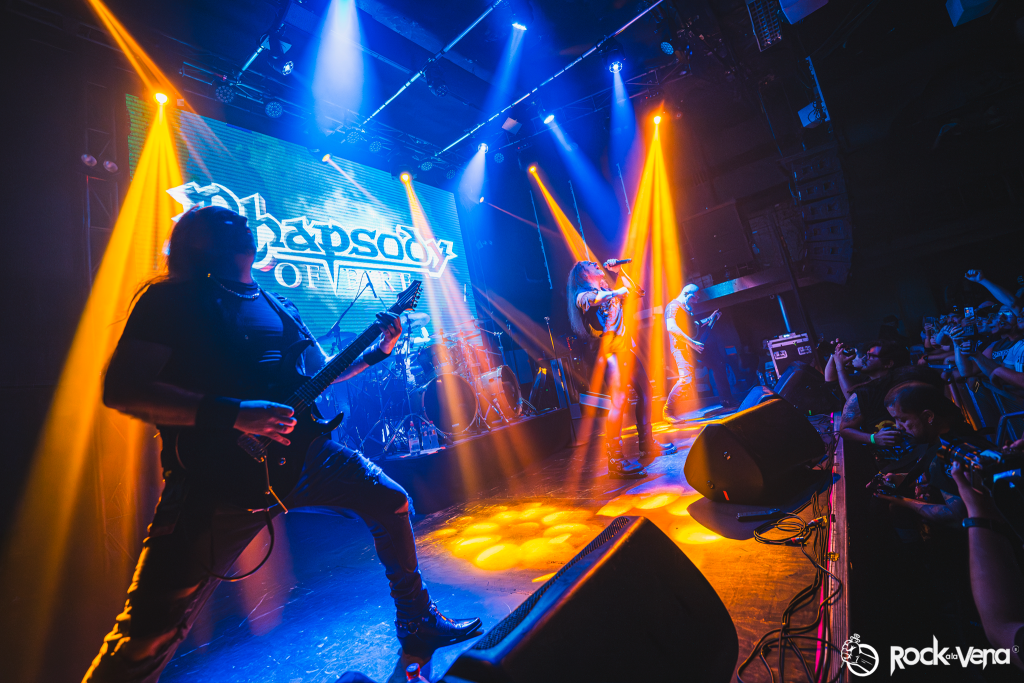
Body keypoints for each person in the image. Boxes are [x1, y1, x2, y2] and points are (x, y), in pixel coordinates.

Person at [84, 206, 480, 683]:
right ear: (198, 242)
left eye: (241, 219)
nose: (240, 221)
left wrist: (379, 351)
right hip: (219, 480)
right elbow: (123, 387)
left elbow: (321, 374)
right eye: (224, 220)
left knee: (391, 501)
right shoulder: (173, 301)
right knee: (150, 631)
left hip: (304, 457)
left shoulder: (279, 305)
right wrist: (235, 414)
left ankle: (417, 620)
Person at [566, 260, 672, 480]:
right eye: (589, 264)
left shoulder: (608, 291)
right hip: (606, 352)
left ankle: (647, 444)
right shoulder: (582, 295)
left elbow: (637, 292)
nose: (595, 263)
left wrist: (620, 271)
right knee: (619, 400)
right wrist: (616, 292)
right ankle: (615, 459)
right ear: (583, 275)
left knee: (646, 392)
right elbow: (596, 300)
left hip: (624, 348)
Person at [663, 284, 733, 422]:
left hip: (690, 347)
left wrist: (710, 318)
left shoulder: (686, 309)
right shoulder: (673, 306)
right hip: (681, 348)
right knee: (686, 378)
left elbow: (695, 325)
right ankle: (668, 411)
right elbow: (671, 327)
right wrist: (692, 343)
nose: (696, 300)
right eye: (694, 297)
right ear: (686, 293)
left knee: (716, 365)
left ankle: (727, 400)